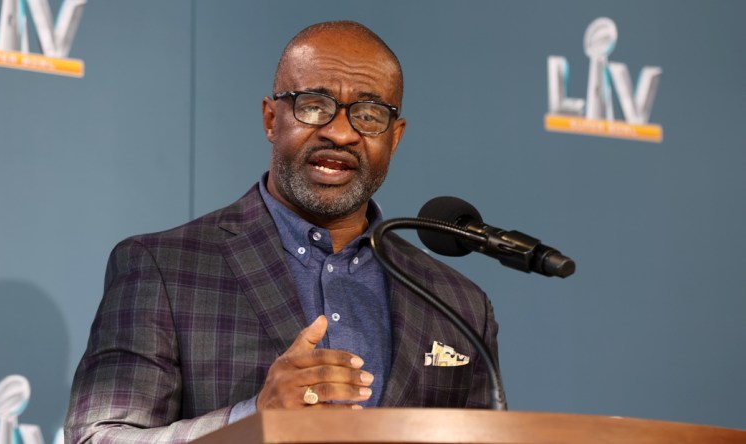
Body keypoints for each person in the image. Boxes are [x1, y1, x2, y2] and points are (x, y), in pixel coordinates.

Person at [65, 20, 501, 443]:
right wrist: (253, 420)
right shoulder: (163, 269)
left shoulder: (457, 303)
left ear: (395, 137)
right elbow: (98, 438)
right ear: (271, 119)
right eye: (315, 106)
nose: (341, 132)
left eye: (368, 115)